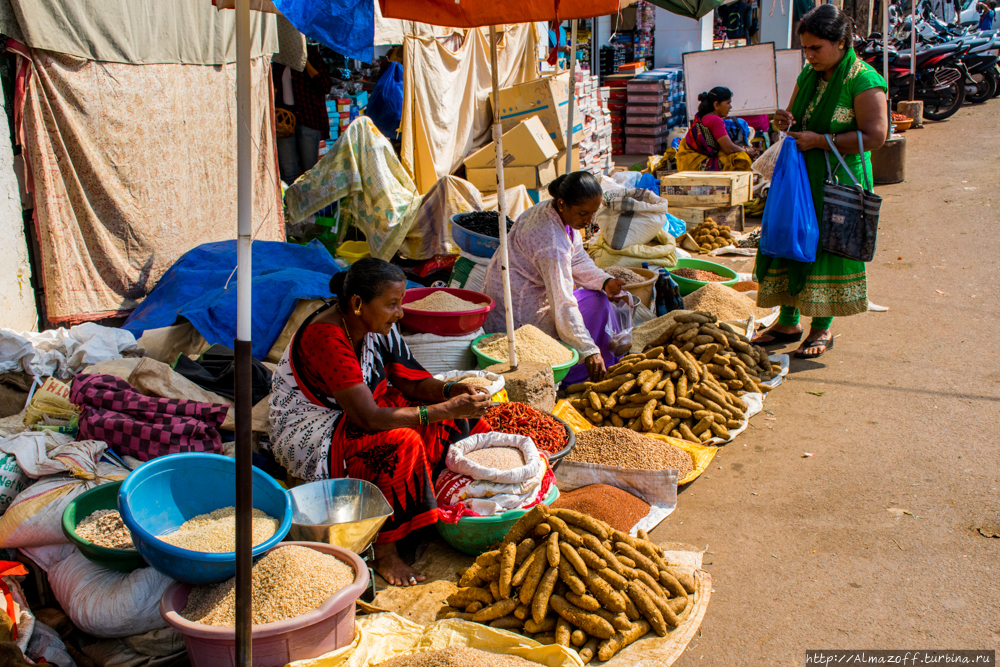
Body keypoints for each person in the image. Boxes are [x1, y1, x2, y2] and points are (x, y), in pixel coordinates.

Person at [268, 259, 492, 586]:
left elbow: (411, 382)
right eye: (392, 305)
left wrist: (450, 390)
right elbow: (369, 418)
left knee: (447, 421)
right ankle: (385, 548)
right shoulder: (327, 337)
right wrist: (446, 408)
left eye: (399, 304)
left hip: (364, 407)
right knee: (400, 444)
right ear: (358, 304)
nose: (400, 313)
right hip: (317, 428)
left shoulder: (378, 327)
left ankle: (432, 508)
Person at [754, 4, 888, 358]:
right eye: (805, 49)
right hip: (800, 179)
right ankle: (787, 320)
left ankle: (822, 328)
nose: (809, 56)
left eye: (816, 48)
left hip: (838, 180)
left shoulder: (863, 80)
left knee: (826, 246)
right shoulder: (808, 76)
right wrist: (784, 121)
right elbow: (794, 122)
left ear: (842, 43)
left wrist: (822, 141)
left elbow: (875, 136)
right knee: (789, 238)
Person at [481, 172, 627, 383]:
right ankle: (576, 376)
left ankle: (600, 361)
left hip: (520, 291)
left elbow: (577, 259)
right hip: (518, 313)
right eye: (583, 213)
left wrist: (605, 281)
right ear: (561, 204)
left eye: (593, 213)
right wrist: (588, 350)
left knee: (599, 297)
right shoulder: (551, 244)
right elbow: (562, 302)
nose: (588, 221)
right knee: (596, 307)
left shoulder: (554, 212)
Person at [273, 45, 333, 184]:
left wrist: (304, 61)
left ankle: (311, 204)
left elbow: (325, 86)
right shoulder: (278, 57)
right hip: (285, 119)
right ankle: (290, 204)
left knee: (310, 171)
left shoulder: (312, 55)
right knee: (288, 171)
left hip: (308, 117)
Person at [676, 87, 756, 172]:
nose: (730, 107)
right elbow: (729, 148)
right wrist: (747, 151)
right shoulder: (715, 120)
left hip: (688, 162)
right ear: (716, 105)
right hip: (697, 164)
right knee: (739, 158)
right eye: (728, 103)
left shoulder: (705, 117)